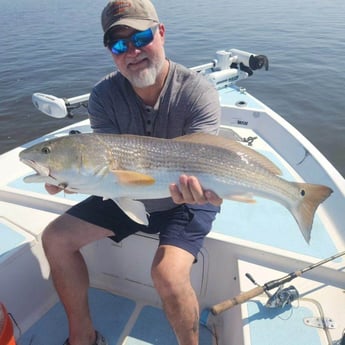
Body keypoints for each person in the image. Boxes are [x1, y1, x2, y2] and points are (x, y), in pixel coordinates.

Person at [42, 0, 223, 344]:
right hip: (126, 189)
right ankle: (83, 337)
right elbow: (108, 165)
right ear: (111, 52)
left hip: (186, 196)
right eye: (119, 44)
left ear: (161, 32)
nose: (133, 51)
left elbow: (206, 162)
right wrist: (74, 179)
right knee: (56, 238)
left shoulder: (197, 91)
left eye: (140, 37)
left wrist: (199, 191)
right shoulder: (103, 96)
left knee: (167, 275)